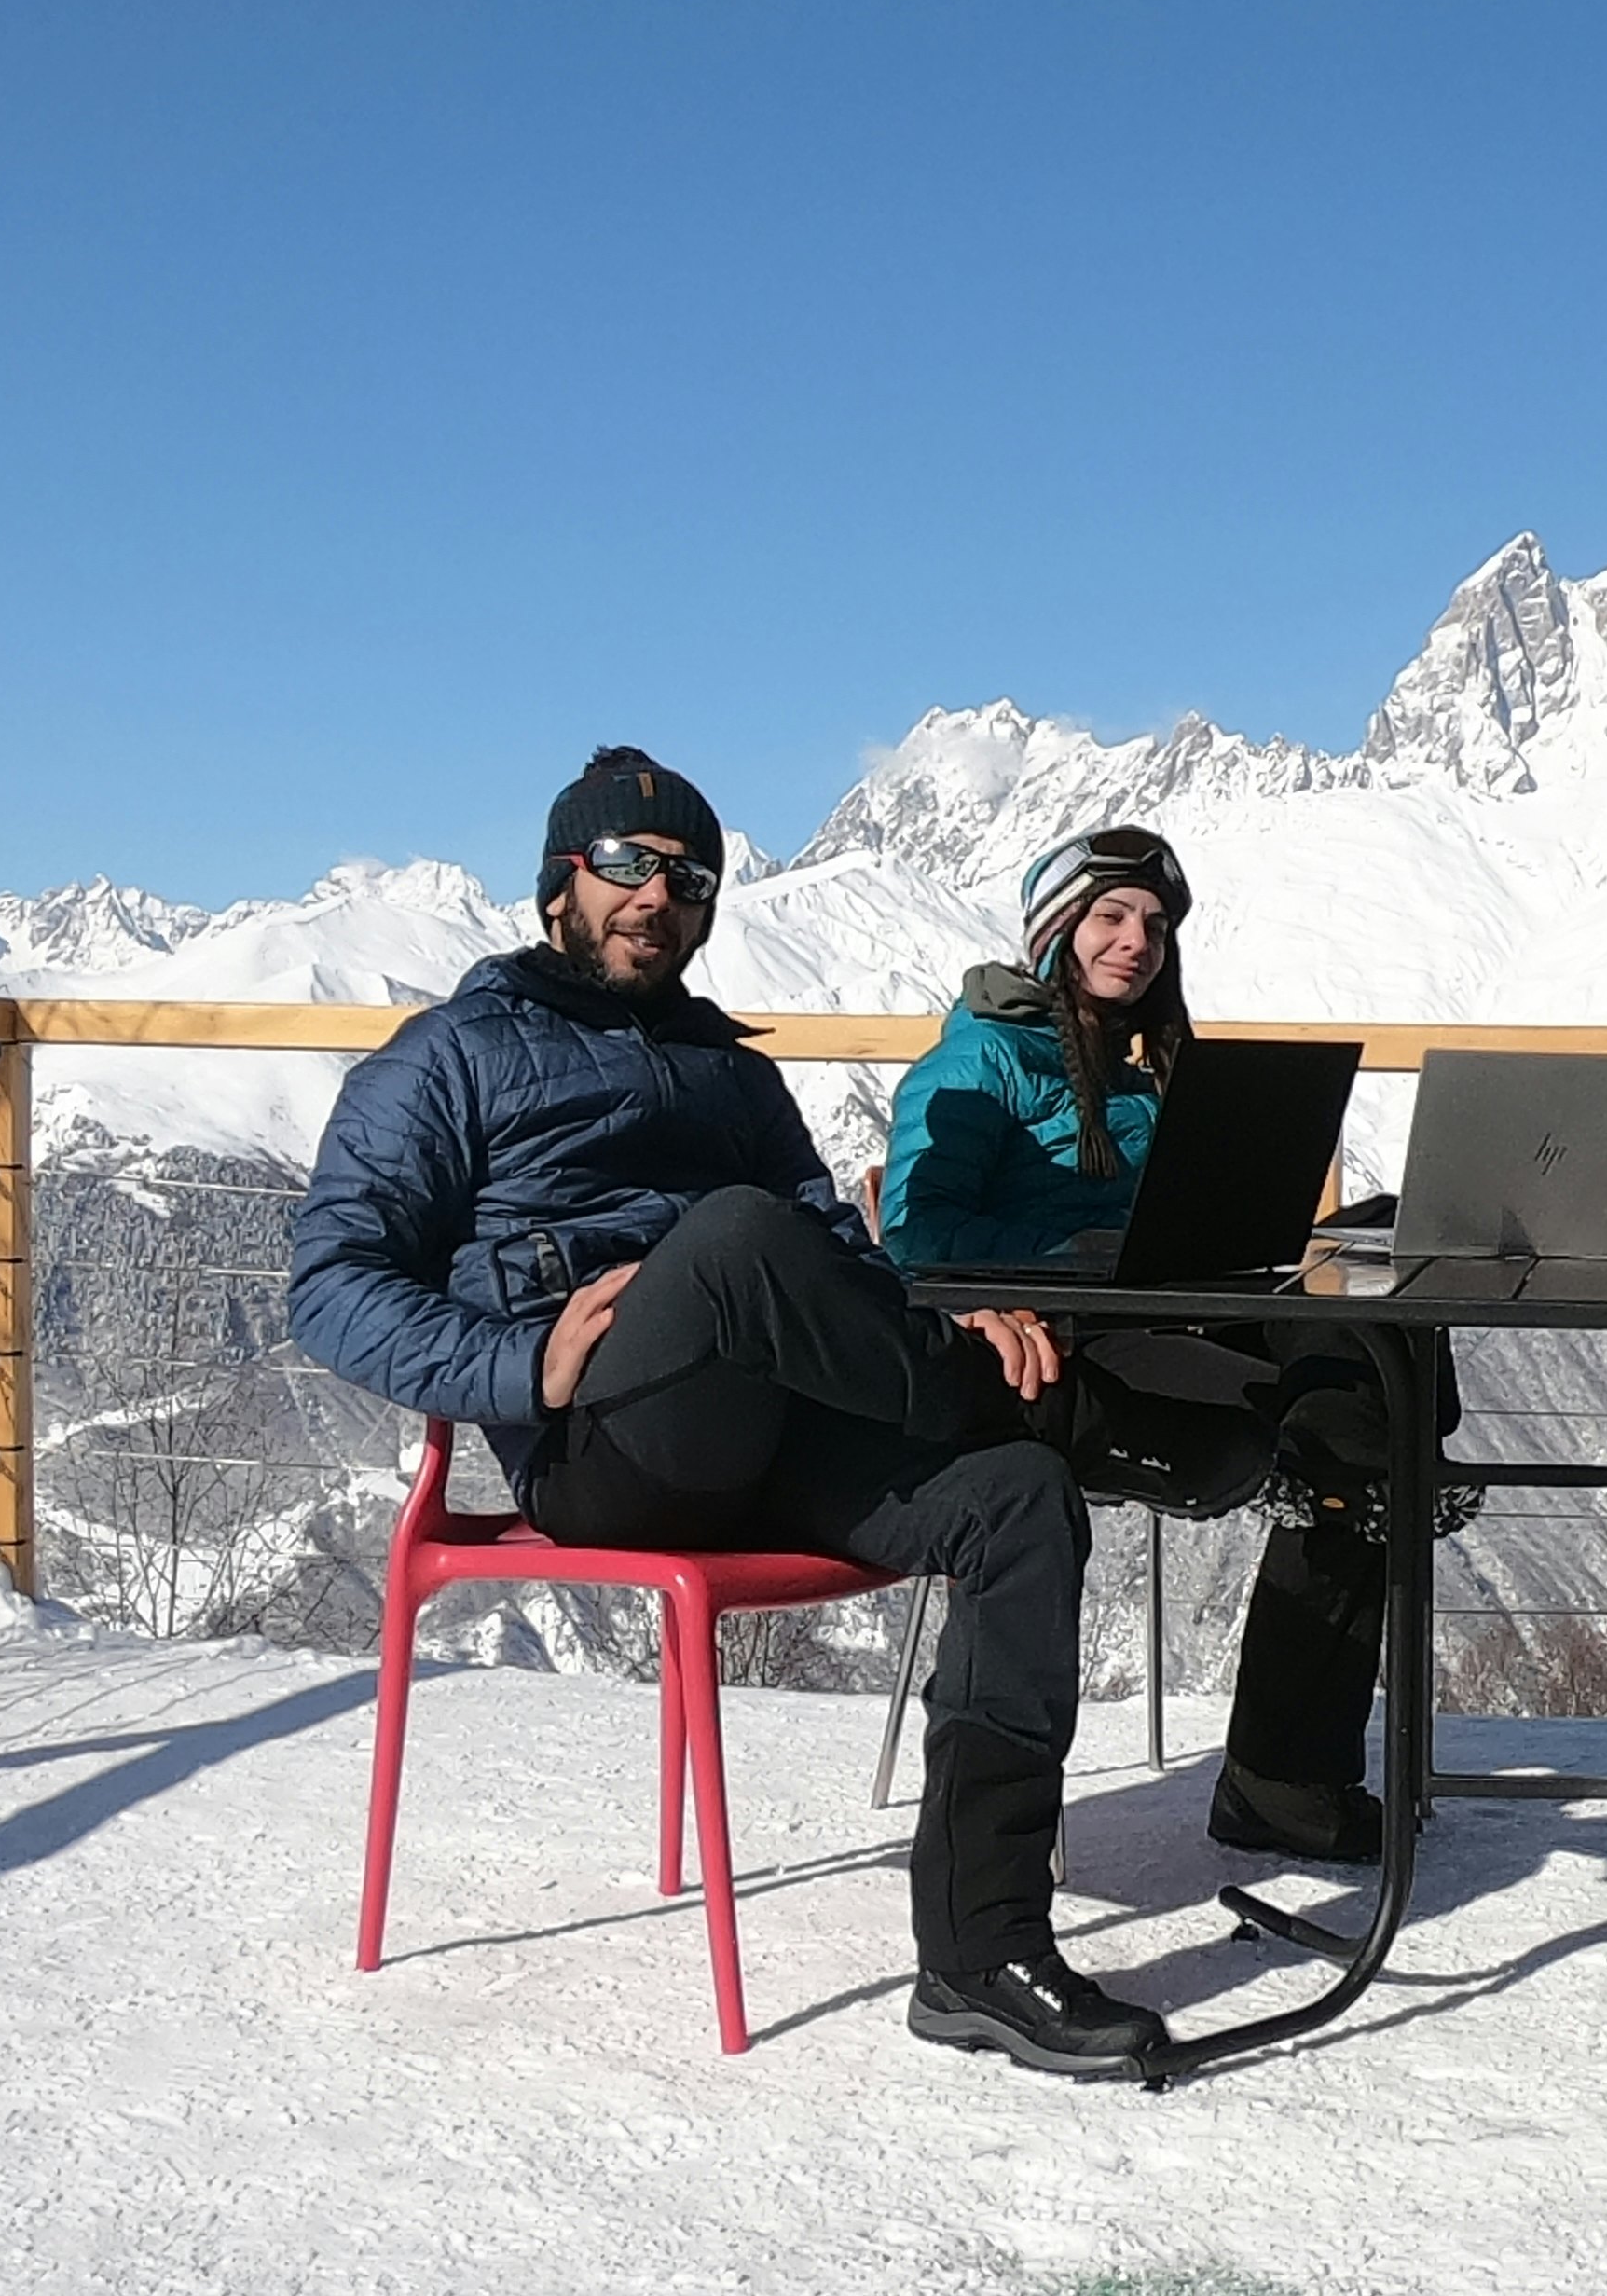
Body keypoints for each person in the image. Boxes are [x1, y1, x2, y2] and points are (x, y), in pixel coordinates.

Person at [291, 748, 1167, 2078]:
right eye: (627, 866)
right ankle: (1046, 1405)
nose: (658, 895)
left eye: (689, 877)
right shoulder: (450, 1057)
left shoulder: (731, 1072)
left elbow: (841, 1253)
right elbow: (331, 1285)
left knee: (1019, 1500)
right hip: (611, 1451)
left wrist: (951, 1315)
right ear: (560, 883)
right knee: (739, 1237)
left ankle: (981, 1954)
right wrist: (525, 1364)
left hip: (782, 1434)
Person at [881, 823, 1435, 1867]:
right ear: (1056, 932)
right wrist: (1080, 1254)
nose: (1137, 941)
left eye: (1156, 925)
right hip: (1068, 1345)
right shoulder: (977, 1062)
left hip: (1170, 1310)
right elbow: (916, 1238)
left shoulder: (1142, 1075)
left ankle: (1378, 1455)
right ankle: (1282, 1774)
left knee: (1381, 1294)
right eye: (1111, 916)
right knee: (1354, 1438)